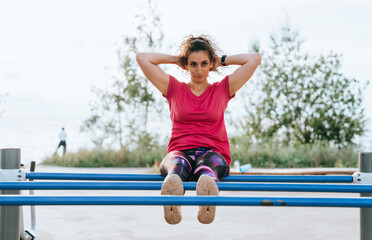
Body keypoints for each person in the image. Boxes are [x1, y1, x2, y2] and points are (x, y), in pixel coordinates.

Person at [136, 35, 261, 224]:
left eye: (204, 63)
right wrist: (177, 60)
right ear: (187, 65)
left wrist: (222, 61)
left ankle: (207, 197)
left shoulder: (222, 89)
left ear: (211, 63)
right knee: (176, 168)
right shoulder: (174, 89)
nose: (199, 69)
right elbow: (142, 58)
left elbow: (254, 59)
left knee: (207, 170)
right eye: (193, 64)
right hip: (180, 151)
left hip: (213, 152)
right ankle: (173, 198)